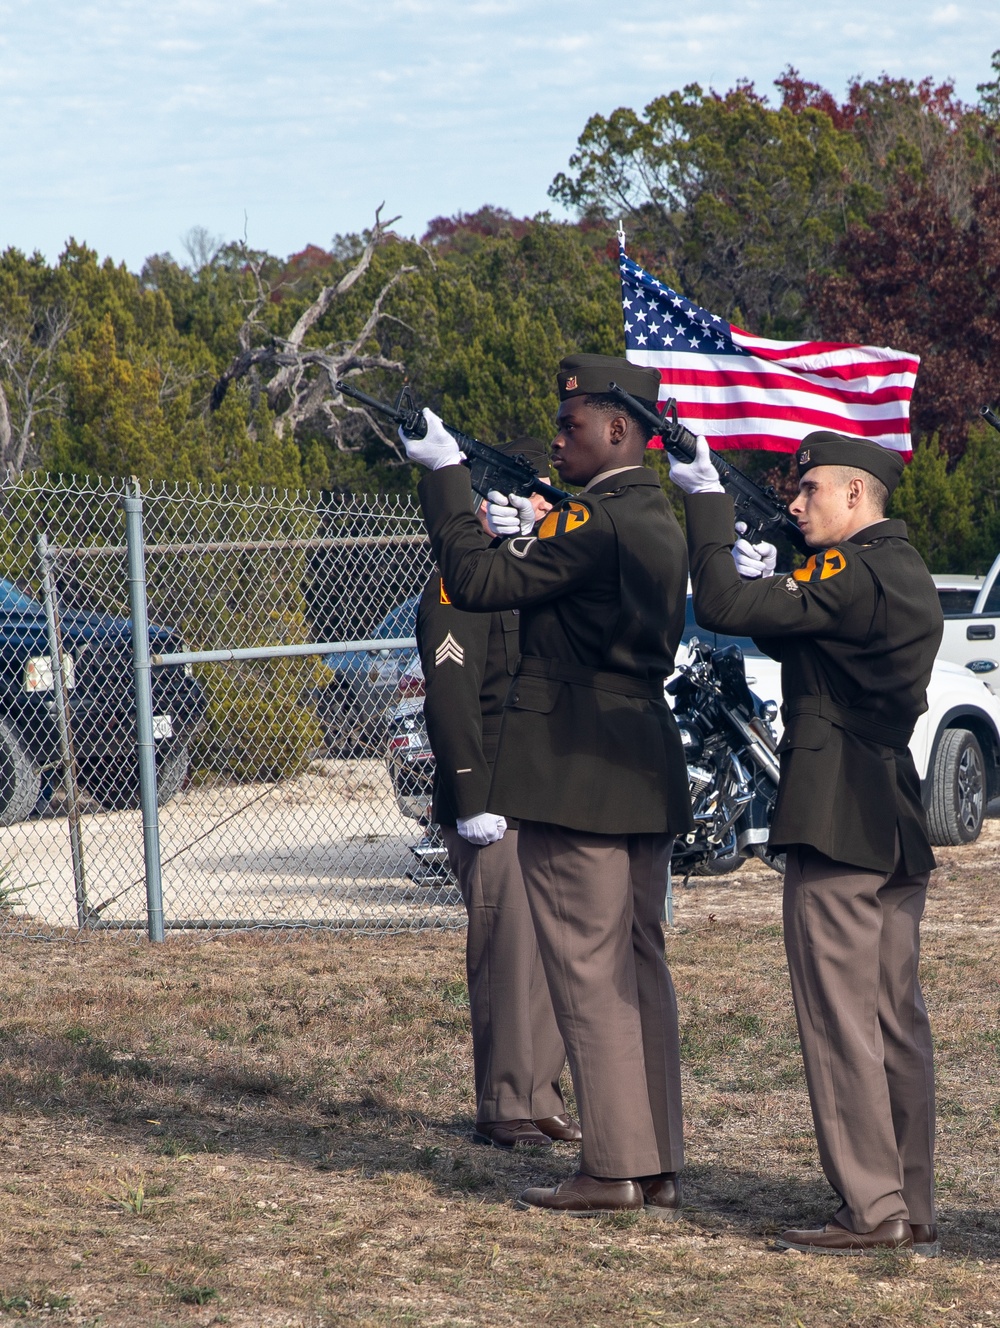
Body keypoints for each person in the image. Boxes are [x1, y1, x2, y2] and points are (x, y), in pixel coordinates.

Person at [400, 354, 694, 1218]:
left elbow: (482, 579)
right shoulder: (653, 517)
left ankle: (611, 1168)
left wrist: (446, 475)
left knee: (589, 977)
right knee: (640, 971)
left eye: (572, 427)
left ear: (619, 431)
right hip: (637, 763)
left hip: (575, 767)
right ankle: (654, 1160)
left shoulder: (599, 519)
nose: (559, 439)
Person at [670, 430, 943, 1255]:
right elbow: (808, 639)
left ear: (857, 496)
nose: (795, 503)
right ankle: (910, 1199)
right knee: (895, 1018)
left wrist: (706, 499)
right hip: (891, 813)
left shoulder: (851, 571)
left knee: (840, 1020)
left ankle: (870, 1207)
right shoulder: (902, 571)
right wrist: (784, 570)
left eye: (811, 490)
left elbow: (720, 608)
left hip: (837, 811)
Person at [417, 436, 579, 1151]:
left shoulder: (525, 576)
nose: (542, 511)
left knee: (545, 956)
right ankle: (505, 1103)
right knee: (508, 955)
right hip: (489, 803)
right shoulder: (460, 581)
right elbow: (452, 699)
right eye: (534, 498)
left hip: (535, 796)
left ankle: (538, 1093)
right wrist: (470, 797)